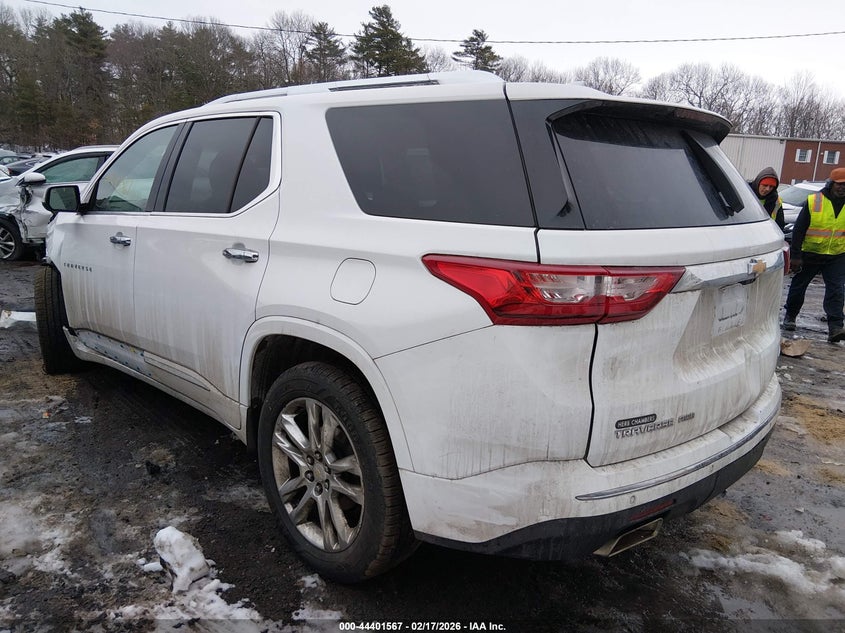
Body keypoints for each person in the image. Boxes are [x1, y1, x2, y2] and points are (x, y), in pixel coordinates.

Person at [783, 167, 845, 343]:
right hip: (810, 253)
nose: (842, 188)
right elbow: (799, 230)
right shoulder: (814, 201)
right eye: (839, 185)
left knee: (836, 289)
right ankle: (790, 316)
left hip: (837, 254)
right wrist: (795, 256)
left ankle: (836, 327)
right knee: (799, 285)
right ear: (831, 184)